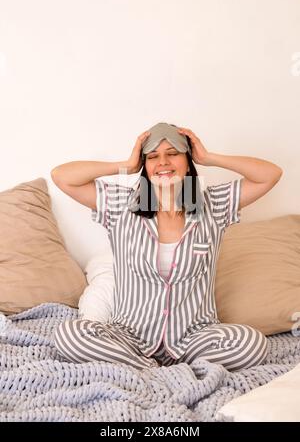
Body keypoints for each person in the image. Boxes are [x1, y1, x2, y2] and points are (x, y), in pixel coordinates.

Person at [51, 122, 283, 371]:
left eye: (173, 153)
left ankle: (144, 369)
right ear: (145, 165)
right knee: (68, 334)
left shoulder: (213, 205)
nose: (163, 162)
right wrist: (127, 166)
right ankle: (152, 369)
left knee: (252, 343)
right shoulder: (122, 204)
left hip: (195, 337)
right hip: (128, 337)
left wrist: (208, 157)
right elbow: (62, 177)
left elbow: (270, 174)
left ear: (188, 160)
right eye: (153, 156)